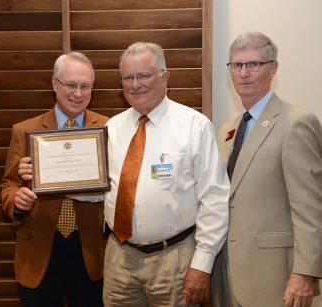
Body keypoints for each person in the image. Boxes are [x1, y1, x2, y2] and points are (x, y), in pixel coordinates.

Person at [103, 42, 230, 307]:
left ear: (165, 76)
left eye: (144, 75)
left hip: (174, 260)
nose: (135, 84)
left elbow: (214, 198)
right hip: (119, 259)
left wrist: (202, 264)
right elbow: (98, 189)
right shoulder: (111, 128)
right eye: (128, 77)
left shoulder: (194, 127)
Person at [211, 32, 322, 307]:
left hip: (274, 277)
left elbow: (310, 208)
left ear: (273, 68)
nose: (243, 73)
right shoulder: (228, 130)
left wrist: (305, 272)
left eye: (253, 64)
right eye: (237, 65)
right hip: (226, 273)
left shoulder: (296, 123)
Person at [0, 52, 108, 307]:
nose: (78, 93)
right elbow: (8, 184)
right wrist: (17, 199)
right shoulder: (25, 131)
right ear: (55, 84)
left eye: (85, 86)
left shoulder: (109, 128)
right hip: (39, 252)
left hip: (92, 253)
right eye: (70, 85)